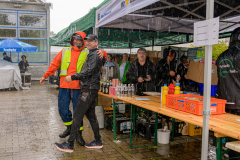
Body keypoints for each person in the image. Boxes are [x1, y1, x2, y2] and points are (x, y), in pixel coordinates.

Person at [39, 31, 106, 146]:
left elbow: (99, 57)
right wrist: (45, 75)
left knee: (78, 113)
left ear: (83, 41)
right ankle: (70, 128)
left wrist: (103, 52)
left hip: (78, 87)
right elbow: (54, 64)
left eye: (79, 40)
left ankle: (77, 135)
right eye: (74, 39)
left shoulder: (87, 51)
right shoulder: (65, 51)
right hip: (64, 86)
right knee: (62, 110)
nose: (76, 41)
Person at [55, 34, 104, 152]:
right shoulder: (93, 53)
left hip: (88, 89)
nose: (88, 43)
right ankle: (98, 141)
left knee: (77, 115)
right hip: (90, 88)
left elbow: (88, 71)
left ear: (96, 42)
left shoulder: (94, 55)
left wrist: (73, 77)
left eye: (91, 41)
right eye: (87, 41)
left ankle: (70, 144)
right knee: (91, 116)